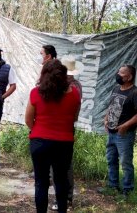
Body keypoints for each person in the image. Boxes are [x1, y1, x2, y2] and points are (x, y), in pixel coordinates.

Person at [25, 61, 81, 213]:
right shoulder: (74, 93)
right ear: (64, 76)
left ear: (44, 75)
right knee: (61, 181)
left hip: (39, 142)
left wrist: (39, 130)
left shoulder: (35, 93)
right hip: (64, 143)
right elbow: (74, 117)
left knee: (41, 183)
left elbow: (28, 120)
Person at [103, 65, 137, 197]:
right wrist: (106, 119)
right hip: (111, 132)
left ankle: (128, 190)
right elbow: (111, 106)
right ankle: (113, 186)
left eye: (122, 73)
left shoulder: (135, 93)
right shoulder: (116, 89)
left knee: (125, 163)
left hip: (124, 134)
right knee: (111, 160)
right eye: (118, 71)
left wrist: (125, 125)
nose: (118, 74)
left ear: (129, 77)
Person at [51, 56, 83, 210]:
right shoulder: (55, 85)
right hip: (54, 128)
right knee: (54, 166)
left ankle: (67, 198)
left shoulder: (75, 87)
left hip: (66, 127)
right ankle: (59, 197)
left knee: (65, 166)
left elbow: (74, 111)